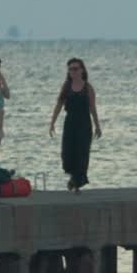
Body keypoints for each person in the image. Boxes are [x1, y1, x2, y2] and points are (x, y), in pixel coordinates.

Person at [49, 57, 102, 192]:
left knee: (81, 154)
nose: (73, 72)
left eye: (75, 69)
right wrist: (52, 123)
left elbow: (92, 108)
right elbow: (59, 105)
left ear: (82, 70)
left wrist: (97, 126)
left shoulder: (88, 88)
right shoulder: (66, 87)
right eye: (70, 69)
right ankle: (74, 179)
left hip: (84, 124)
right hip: (70, 123)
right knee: (67, 154)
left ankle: (77, 184)